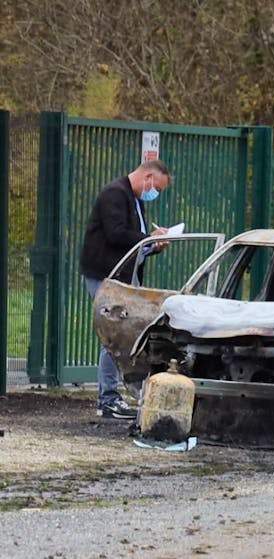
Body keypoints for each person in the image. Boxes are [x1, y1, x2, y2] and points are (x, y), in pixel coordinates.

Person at [80, 160, 171, 419]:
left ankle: (115, 395)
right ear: (148, 177)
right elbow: (116, 234)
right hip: (107, 276)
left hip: (123, 276)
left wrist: (153, 246)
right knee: (114, 336)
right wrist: (149, 239)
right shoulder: (115, 194)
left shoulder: (134, 198)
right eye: (157, 188)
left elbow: (132, 241)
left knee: (123, 335)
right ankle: (108, 399)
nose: (155, 193)